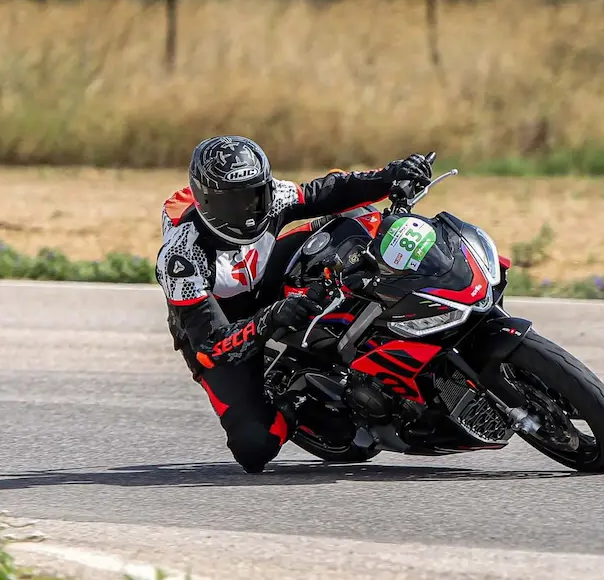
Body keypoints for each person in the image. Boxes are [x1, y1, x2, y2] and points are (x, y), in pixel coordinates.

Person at [155, 135, 433, 473]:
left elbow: (330, 190)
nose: (250, 210)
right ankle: (297, 397)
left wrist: (393, 174)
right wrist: (269, 319)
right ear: (207, 201)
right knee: (254, 448)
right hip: (220, 321)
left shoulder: (272, 197)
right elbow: (210, 348)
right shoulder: (182, 257)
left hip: (264, 272)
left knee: (355, 217)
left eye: (256, 195)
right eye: (236, 202)